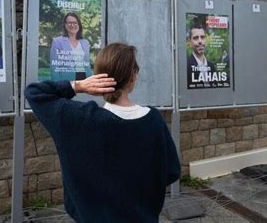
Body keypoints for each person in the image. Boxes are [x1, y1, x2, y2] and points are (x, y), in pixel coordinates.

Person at [25, 43, 180, 222]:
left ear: (97, 76)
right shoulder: (154, 121)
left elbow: (34, 93)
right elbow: (172, 172)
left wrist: (78, 86)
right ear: (133, 76)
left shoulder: (76, 119)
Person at [50, 12, 91, 81]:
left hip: (85, 80)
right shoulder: (57, 42)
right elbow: (54, 67)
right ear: (65, 25)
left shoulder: (85, 43)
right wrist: (57, 85)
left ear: (79, 25)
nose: (72, 25)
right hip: (67, 81)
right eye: (69, 23)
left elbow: (87, 64)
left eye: (75, 22)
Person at [187, 15, 216, 89]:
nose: (200, 41)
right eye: (196, 38)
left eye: (202, 37)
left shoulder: (211, 66)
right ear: (190, 42)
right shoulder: (186, 67)